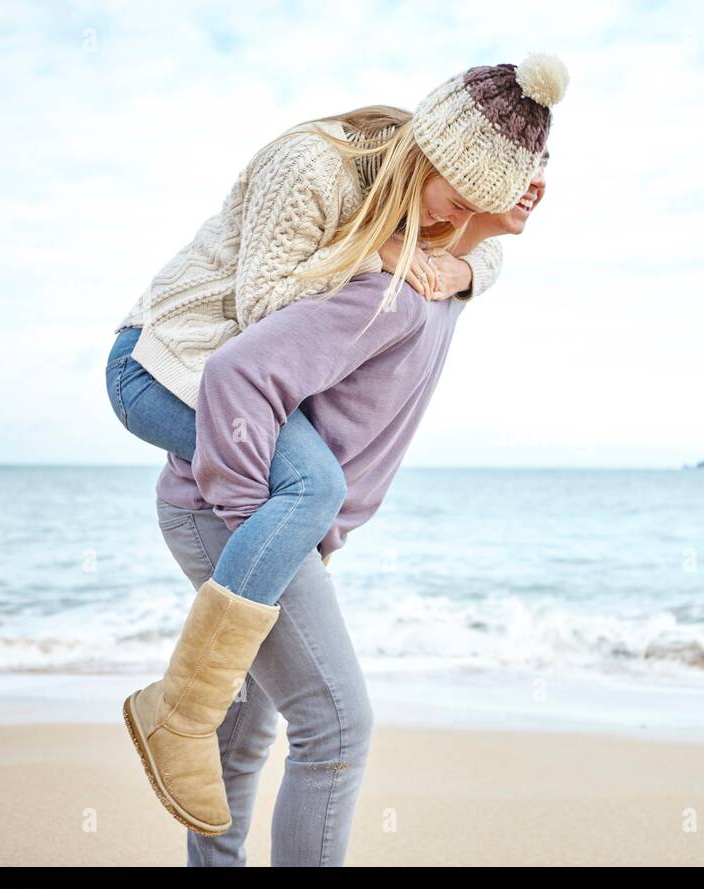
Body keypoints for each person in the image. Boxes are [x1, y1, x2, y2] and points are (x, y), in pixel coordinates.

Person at [106, 56, 566, 841]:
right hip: (161, 365)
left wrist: (462, 254)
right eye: (455, 205)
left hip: (237, 387)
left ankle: (196, 720)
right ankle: (179, 707)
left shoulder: (437, 219)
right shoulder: (314, 165)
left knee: (249, 728)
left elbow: (477, 253)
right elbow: (261, 311)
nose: (451, 230)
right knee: (311, 485)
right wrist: (382, 255)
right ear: (430, 158)